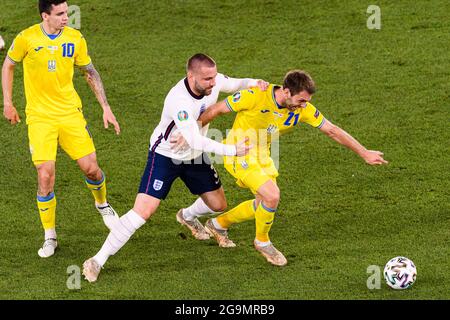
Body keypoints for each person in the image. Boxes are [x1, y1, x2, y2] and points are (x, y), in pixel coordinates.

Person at [82, 53, 268, 282]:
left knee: (219, 204)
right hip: (166, 157)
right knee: (143, 212)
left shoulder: (214, 80)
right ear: (191, 76)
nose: (213, 82)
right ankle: (97, 260)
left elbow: (235, 83)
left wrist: (255, 83)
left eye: (214, 77)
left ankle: (187, 216)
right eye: (208, 79)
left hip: (195, 157)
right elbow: (194, 139)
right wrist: (232, 150)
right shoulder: (178, 100)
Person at [192, 70, 388, 266]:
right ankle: (262, 241)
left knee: (264, 204)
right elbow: (216, 110)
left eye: (306, 101)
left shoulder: (303, 109)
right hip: (238, 152)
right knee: (272, 195)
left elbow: (332, 130)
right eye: (301, 100)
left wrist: (364, 152)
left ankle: (218, 224)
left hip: (263, 154)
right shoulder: (255, 95)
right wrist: (190, 134)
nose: (304, 105)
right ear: (286, 92)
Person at [1, 0, 121, 258]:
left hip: (70, 114)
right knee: (45, 175)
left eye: (67, 12)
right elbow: (8, 65)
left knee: (91, 168)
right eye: (60, 14)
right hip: (40, 118)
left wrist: (106, 107)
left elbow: (89, 72)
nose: (67, 17)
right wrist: (8, 103)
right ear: (46, 15)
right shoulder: (26, 38)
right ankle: (50, 236)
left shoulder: (75, 38)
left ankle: (103, 205)